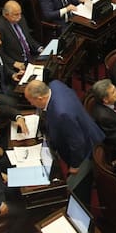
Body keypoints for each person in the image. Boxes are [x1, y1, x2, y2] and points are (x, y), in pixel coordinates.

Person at [23, 78, 104, 206]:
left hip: (86, 150)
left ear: (39, 98)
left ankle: (83, 208)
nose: (30, 104)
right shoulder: (55, 85)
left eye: (30, 101)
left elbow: (77, 143)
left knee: (78, 187)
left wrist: (75, 165)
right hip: (82, 129)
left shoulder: (62, 113)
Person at [0, 0, 40, 69]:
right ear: (6, 15)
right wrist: (13, 63)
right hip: (17, 64)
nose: (20, 17)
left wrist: (39, 48)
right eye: (16, 14)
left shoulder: (21, 19)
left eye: (20, 13)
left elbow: (28, 38)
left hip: (31, 57)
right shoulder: (0, 27)